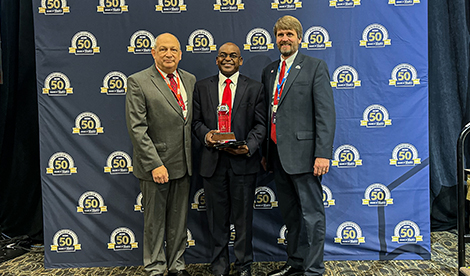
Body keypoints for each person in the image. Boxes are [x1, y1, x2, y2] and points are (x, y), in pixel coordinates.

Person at [261, 16, 336, 276]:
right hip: (277, 156)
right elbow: (270, 114)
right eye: (280, 34)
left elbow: (325, 115)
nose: (284, 39)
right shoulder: (270, 71)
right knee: (291, 217)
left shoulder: (315, 67)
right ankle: (295, 264)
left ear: (299, 38)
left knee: (312, 217)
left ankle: (314, 269)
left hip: (306, 158)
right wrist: (265, 153)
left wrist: (322, 154)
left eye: (289, 34)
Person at [192, 42, 266, 276]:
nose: (227, 59)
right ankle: (219, 265)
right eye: (222, 55)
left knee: (243, 219)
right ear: (216, 60)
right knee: (217, 220)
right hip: (212, 162)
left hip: (242, 162)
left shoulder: (255, 88)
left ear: (240, 60)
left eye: (233, 55)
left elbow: (261, 124)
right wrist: (207, 135)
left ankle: (244, 265)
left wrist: (248, 146)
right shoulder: (202, 87)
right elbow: (195, 123)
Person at [125, 33, 195, 276]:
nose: (168, 54)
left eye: (173, 50)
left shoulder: (189, 80)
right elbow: (137, 128)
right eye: (163, 49)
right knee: (154, 222)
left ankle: (177, 265)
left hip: (184, 163)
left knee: (179, 220)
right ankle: (155, 267)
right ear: (153, 53)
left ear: (180, 54)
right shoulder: (138, 81)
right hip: (155, 166)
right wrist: (155, 164)